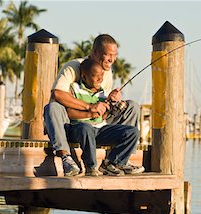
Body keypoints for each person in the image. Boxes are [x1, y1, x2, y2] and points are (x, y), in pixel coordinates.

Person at [43, 34, 142, 176]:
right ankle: (66, 157)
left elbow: (101, 105)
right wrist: (89, 108)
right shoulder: (73, 67)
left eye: (114, 55)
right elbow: (57, 94)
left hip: (97, 124)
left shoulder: (107, 73)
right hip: (72, 123)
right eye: (108, 55)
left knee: (132, 106)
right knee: (52, 107)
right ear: (95, 52)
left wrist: (112, 101)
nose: (112, 60)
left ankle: (119, 161)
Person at [66, 58, 142, 176]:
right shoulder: (74, 88)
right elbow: (70, 113)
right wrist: (90, 112)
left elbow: (103, 117)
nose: (100, 79)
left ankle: (112, 163)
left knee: (132, 132)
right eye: (95, 76)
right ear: (84, 77)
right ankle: (90, 167)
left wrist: (111, 104)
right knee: (86, 127)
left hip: (100, 130)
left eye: (101, 75)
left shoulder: (102, 92)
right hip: (79, 130)